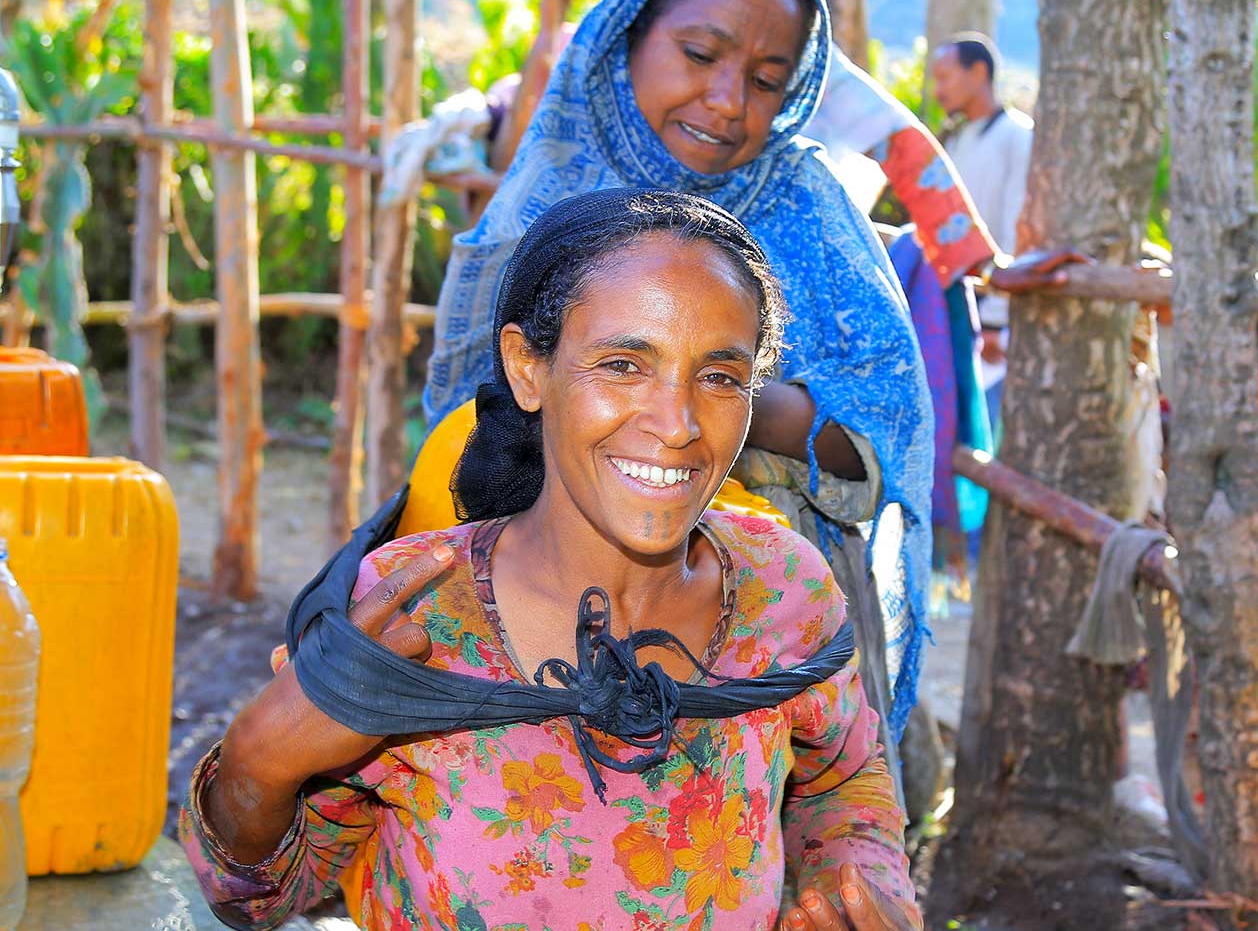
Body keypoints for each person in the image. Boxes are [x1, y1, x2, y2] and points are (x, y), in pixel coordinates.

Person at [182, 189, 919, 930]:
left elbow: (845, 776)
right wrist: (255, 765)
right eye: (625, 364)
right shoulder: (412, 615)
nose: (678, 423)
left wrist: (860, 882)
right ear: (529, 368)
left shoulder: (782, 589)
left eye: (720, 377)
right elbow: (261, 895)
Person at [424, 0, 1063, 753]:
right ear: (628, 33)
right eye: (699, 54)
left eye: (768, 79)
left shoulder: (808, 206)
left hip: (764, 648)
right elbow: (468, 421)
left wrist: (701, 402)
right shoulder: (542, 204)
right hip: (537, 631)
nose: (728, 102)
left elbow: (880, 430)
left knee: (767, 860)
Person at [929, 32, 1035, 434]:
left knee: (987, 430)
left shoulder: (1017, 136)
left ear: (978, 72)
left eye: (945, 76)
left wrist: (995, 319)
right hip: (957, 306)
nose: (938, 90)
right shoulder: (958, 140)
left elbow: (1016, 229)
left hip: (996, 319)